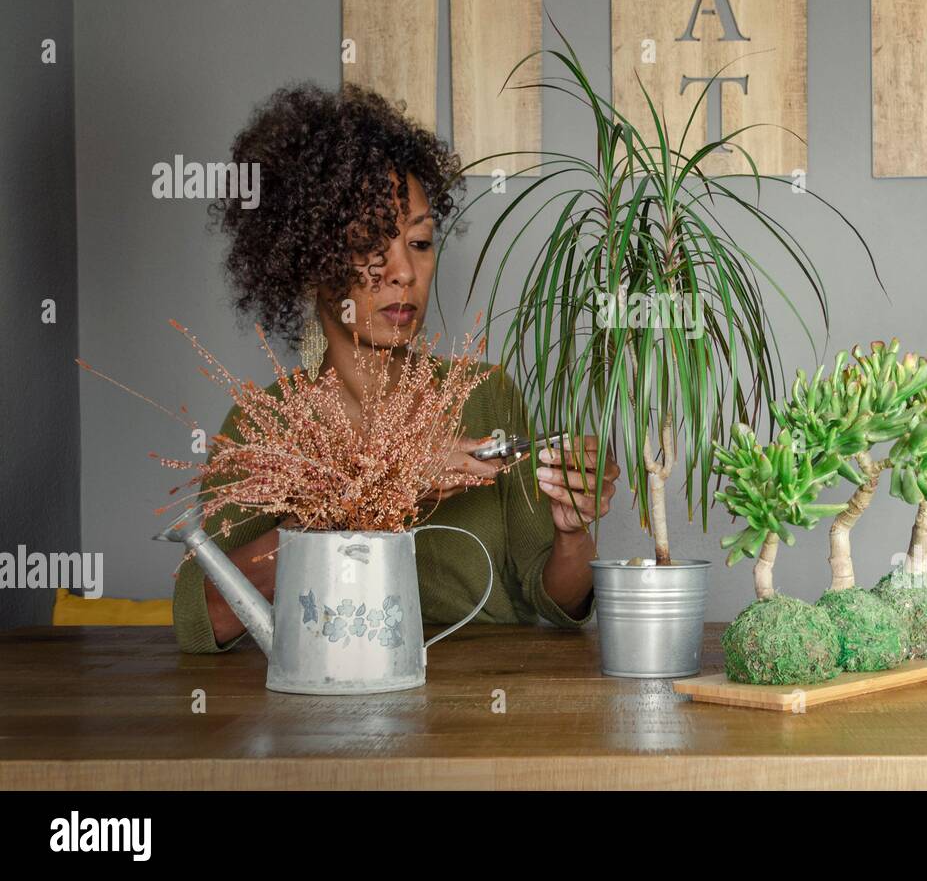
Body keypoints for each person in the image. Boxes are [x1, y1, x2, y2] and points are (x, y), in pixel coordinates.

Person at [172, 82, 617, 653]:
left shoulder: (484, 396)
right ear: (308, 260)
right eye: (368, 243)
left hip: (481, 713)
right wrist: (378, 491)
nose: (403, 271)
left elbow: (555, 599)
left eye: (421, 241)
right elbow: (203, 615)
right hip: (332, 717)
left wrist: (572, 533)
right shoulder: (268, 425)